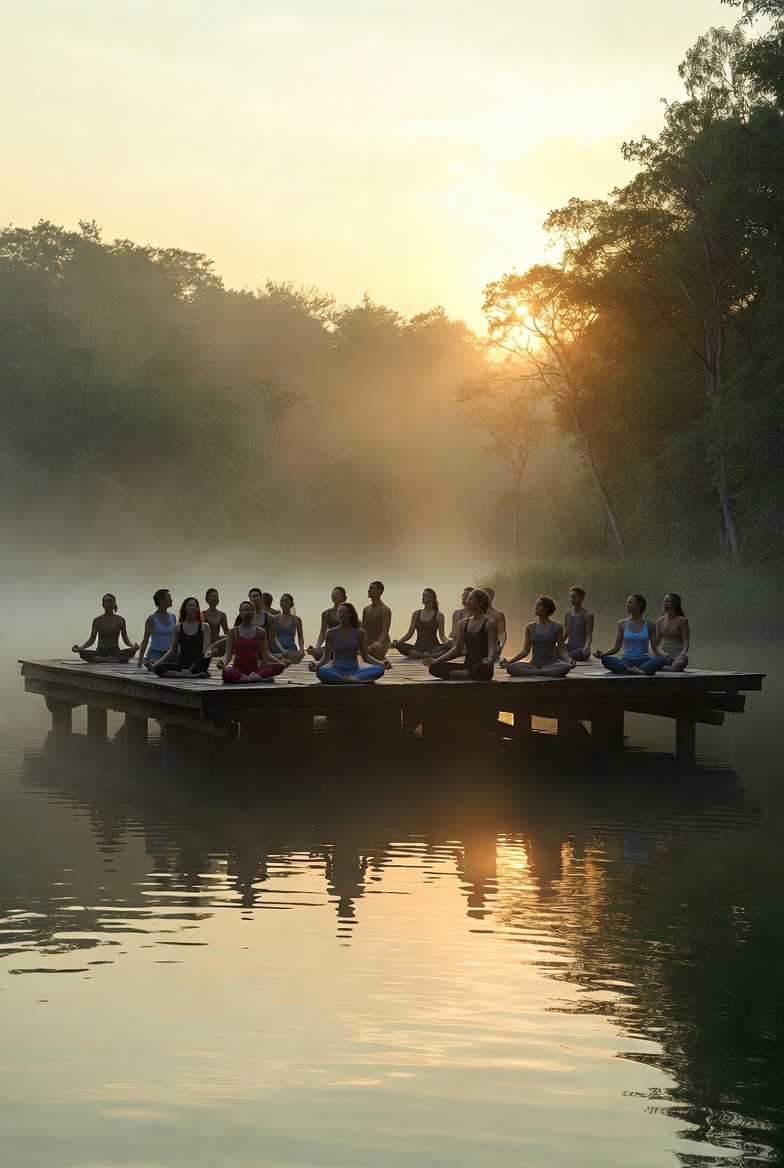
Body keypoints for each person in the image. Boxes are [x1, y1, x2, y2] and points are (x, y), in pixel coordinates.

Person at [425, 589, 497, 680]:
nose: (467, 601)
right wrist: (435, 660)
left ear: (481, 602)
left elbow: (492, 647)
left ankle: (464, 674)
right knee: (434, 668)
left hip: (482, 666)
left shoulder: (490, 624)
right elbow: (457, 648)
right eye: (468, 599)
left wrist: (489, 658)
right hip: (466, 666)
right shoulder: (463, 623)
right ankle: (467, 674)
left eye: (471, 599)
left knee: (480, 668)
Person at [309, 602, 388, 684]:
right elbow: (326, 657)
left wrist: (381, 664)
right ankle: (351, 680)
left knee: (379, 669)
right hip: (336, 670)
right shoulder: (331, 633)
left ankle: (348, 680)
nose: (341, 614)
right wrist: (317, 665)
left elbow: (365, 657)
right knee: (321, 671)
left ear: (350, 615)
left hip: (355, 671)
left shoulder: (360, 633)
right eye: (339, 612)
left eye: (344, 612)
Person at [500, 596, 574, 678]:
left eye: (539, 605)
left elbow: (561, 648)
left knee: (565, 667)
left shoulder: (557, 627)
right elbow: (525, 650)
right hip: (533, 664)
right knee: (511, 668)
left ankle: (535, 672)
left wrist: (568, 660)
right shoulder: (530, 627)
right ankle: (542, 672)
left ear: (547, 608)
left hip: (552, 664)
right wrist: (510, 662)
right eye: (536, 605)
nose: (536, 607)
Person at [594, 595, 668, 675]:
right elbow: (616, 646)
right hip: (626, 661)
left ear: (640, 604)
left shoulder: (650, 624)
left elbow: (655, 646)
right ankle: (637, 671)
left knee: (661, 660)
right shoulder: (622, 624)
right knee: (606, 659)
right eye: (627, 603)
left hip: (644, 661)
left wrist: (665, 655)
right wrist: (603, 654)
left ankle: (632, 670)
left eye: (631, 602)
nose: (627, 605)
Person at [220, 600, 287, 684]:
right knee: (226, 671)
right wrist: (222, 663)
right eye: (244, 610)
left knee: (279, 667)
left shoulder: (260, 631)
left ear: (254, 613)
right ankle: (252, 679)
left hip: (255, 671)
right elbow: (228, 655)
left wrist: (280, 662)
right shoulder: (233, 632)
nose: (247, 611)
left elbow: (266, 654)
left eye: (249, 609)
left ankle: (246, 679)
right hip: (238, 671)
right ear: (240, 613)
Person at [152, 598, 212, 678]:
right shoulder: (178, 627)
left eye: (196, 606)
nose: (194, 607)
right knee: (158, 669)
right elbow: (173, 650)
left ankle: (190, 673)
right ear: (185, 608)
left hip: (197, 664)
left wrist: (208, 653)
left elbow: (207, 647)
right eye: (191, 605)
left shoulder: (204, 626)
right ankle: (185, 675)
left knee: (205, 660)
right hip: (182, 664)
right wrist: (156, 664)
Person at [71, 594, 139, 664]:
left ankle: (109, 659)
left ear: (114, 604)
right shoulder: (97, 620)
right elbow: (91, 639)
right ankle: (111, 660)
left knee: (131, 652)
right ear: (103, 605)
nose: (108, 604)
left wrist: (133, 646)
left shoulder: (120, 620)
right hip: (101, 653)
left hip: (116, 652)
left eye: (110, 601)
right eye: (106, 601)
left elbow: (125, 639)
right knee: (83, 653)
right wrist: (80, 648)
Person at [392, 588, 448, 658]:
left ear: (432, 598)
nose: (423, 597)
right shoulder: (416, 614)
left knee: (448, 647)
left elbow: (442, 636)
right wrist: (398, 643)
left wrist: (449, 643)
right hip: (418, 648)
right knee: (399, 644)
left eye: (426, 595)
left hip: (434, 648)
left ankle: (428, 655)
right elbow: (409, 634)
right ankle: (425, 656)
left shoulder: (439, 615)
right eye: (423, 595)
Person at [234, 587, 286, 657]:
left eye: (256, 596)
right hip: (247, 653)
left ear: (261, 598)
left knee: (281, 660)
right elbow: (235, 636)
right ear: (249, 599)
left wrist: (282, 651)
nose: (254, 598)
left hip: (265, 653)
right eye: (251, 596)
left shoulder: (270, 618)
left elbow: (273, 638)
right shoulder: (241, 617)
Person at [137, 589, 177, 668]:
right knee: (154, 665)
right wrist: (139, 663)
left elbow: (176, 638)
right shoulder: (152, 619)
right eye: (169, 597)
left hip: (170, 652)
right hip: (155, 652)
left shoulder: (172, 617)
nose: (171, 599)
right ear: (161, 601)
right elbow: (145, 640)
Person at [307, 586, 348, 660]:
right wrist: (317, 648)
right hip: (330, 646)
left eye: (337, 594)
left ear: (344, 598)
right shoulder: (326, 613)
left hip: (344, 645)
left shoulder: (349, 613)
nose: (334, 596)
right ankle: (317, 651)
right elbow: (322, 633)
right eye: (333, 594)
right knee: (318, 653)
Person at [657, 593, 690, 672]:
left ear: (675, 603)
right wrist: (663, 655)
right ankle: (661, 666)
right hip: (663, 655)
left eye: (667, 601)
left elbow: (685, 640)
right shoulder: (660, 621)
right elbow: (656, 643)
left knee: (678, 664)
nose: (664, 603)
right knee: (648, 660)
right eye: (664, 601)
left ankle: (660, 668)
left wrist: (683, 653)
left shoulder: (682, 621)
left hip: (677, 655)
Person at [564, 585, 594, 663]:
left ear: (581, 597)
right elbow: (566, 630)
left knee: (569, 655)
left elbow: (589, 634)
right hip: (570, 645)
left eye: (573, 597)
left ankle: (566, 657)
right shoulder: (568, 612)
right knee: (554, 650)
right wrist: (559, 644)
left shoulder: (588, 615)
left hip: (581, 648)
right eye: (570, 597)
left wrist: (587, 646)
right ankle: (564, 656)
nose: (571, 599)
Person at [362, 581, 392, 660]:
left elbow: (385, 631)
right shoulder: (366, 609)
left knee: (371, 652)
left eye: (372, 588)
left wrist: (379, 642)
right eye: (369, 588)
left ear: (380, 591)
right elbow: (363, 629)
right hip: (368, 643)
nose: (369, 590)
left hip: (379, 644)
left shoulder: (385, 610)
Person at [479, 585, 507, 660]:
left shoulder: (498, 614)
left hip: (491, 646)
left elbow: (502, 633)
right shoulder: (474, 614)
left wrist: (500, 646)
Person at [276, 593, 305, 663]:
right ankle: (283, 660)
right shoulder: (275, 618)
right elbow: (273, 637)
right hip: (278, 650)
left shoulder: (296, 619)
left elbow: (300, 637)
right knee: (276, 656)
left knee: (297, 656)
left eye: (284, 600)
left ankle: (285, 660)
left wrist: (301, 650)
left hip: (291, 650)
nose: (282, 603)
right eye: (281, 601)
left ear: (291, 603)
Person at [203, 588, 229, 658]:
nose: (216, 598)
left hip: (218, 643)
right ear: (207, 599)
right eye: (213, 596)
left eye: (217, 597)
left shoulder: (222, 615)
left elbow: (226, 631)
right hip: (206, 644)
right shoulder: (202, 615)